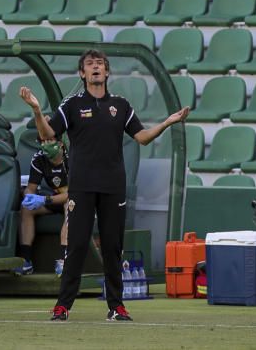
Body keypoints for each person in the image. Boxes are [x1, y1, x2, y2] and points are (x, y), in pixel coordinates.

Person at [21, 49, 190, 322]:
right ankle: (63, 306)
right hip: (82, 187)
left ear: (107, 72)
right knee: (76, 246)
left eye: (100, 63)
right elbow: (47, 134)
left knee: (112, 247)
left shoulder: (120, 105)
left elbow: (142, 137)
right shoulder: (72, 105)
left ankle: (116, 306)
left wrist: (168, 122)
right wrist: (37, 109)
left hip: (113, 187)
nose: (96, 67)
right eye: (90, 64)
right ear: (82, 73)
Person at [13, 136, 69, 278]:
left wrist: (44, 199)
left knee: (70, 205)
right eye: (42, 141)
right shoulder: (39, 158)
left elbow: (74, 194)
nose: (45, 145)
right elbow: (31, 188)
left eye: (49, 141)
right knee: (26, 208)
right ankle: (26, 261)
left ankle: (64, 260)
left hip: (80, 200)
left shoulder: (73, 157)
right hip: (54, 198)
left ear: (60, 143)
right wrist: (28, 197)